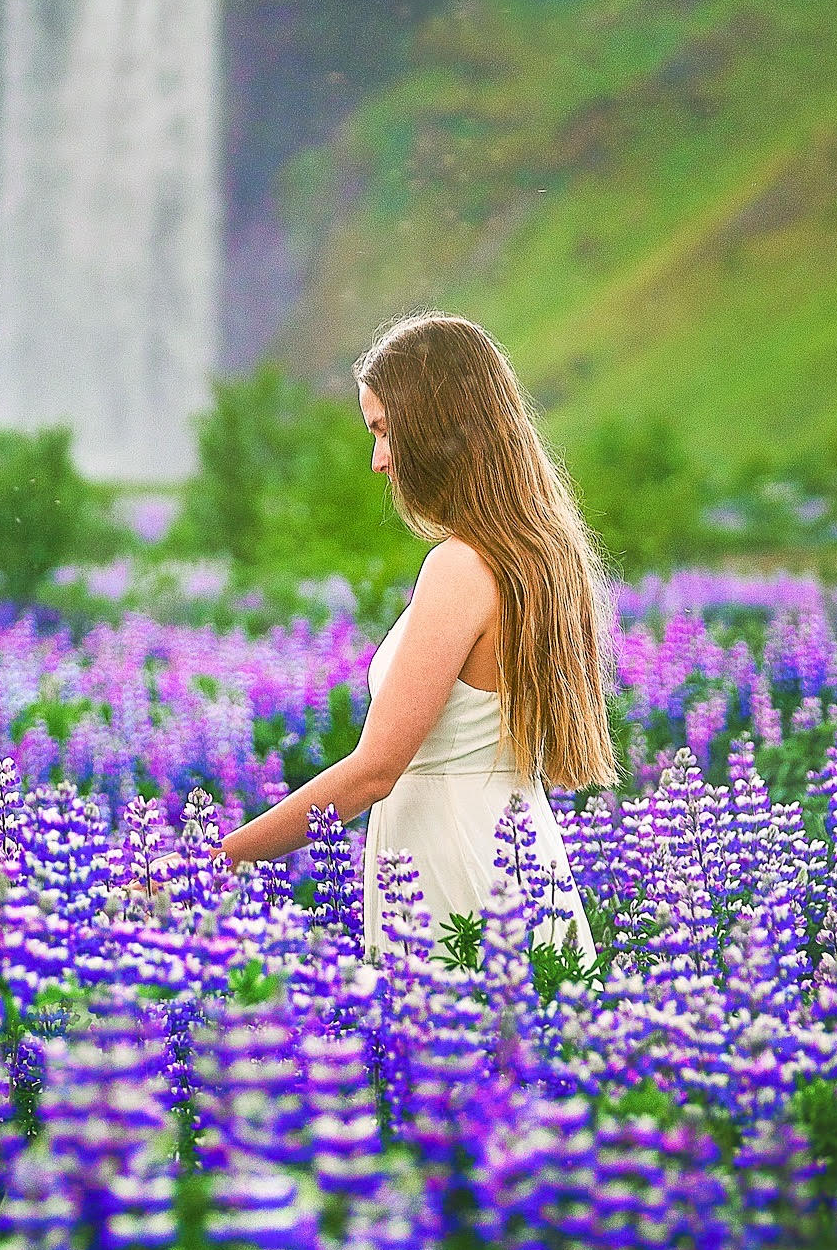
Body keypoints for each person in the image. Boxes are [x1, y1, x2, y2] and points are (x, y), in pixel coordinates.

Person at [221, 311, 614, 959]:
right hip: (518, 870)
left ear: (434, 427)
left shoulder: (463, 566)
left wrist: (215, 858)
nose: (377, 461)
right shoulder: (532, 554)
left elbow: (372, 773)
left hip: (459, 882)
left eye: (383, 431)